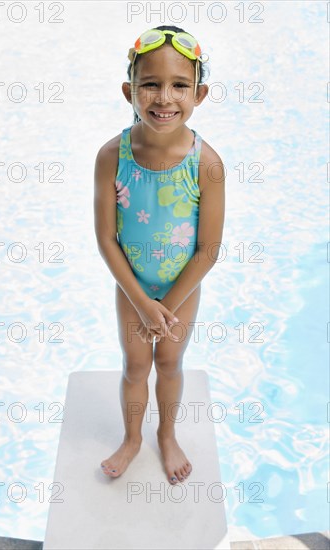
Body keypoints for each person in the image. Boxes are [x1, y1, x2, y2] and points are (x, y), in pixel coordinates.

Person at [94, 25, 225, 485]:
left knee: (169, 362)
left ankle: (166, 435)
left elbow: (208, 250)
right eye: (150, 84)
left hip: (180, 289)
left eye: (179, 86)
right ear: (130, 91)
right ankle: (133, 438)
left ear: (200, 93)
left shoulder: (205, 163)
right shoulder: (113, 156)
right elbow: (107, 239)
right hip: (133, 288)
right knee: (135, 365)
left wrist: (165, 306)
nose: (164, 98)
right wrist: (140, 302)